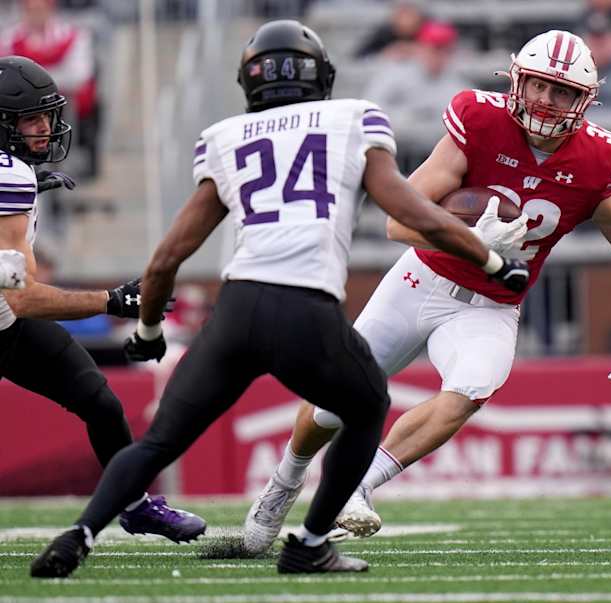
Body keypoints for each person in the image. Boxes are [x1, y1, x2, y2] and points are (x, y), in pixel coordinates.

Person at [30, 19, 530, 578]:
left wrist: (147, 331)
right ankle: (311, 542)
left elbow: (168, 256)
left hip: (237, 310)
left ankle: (79, 534)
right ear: (322, 76)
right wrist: (493, 260)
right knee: (367, 406)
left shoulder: (225, 137)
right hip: (304, 309)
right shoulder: (353, 120)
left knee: (158, 443)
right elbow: (412, 213)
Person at [241, 28, 611, 552]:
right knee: (334, 400)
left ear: (585, 100)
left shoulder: (598, 160)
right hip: (422, 279)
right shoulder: (481, 120)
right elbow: (398, 222)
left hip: (490, 306)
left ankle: (358, 484)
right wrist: (471, 241)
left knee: (470, 389)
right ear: (517, 80)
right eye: (537, 85)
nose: (544, 100)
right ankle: (284, 482)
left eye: (562, 92)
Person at [0, 55, 205, 557]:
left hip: (5, 322)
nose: (44, 128)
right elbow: (24, 295)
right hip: (10, 312)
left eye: (47, 116)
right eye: (30, 119)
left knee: (100, 402)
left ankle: (134, 504)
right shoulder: (10, 177)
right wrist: (113, 300)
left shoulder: (15, 174)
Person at [1, 0, 101, 177]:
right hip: (19, 113)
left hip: (64, 107)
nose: (36, 14)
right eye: (31, 10)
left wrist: (30, 82)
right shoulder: (9, 37)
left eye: (41, 9)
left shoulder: (71, 35)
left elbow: (78, 76)